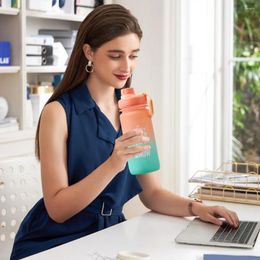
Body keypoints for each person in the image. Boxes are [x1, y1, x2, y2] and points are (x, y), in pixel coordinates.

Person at [11, 4, 239, 259]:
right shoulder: (58, 112)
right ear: (89, 52)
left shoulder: (135, 108)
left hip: (110, 236)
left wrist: (197, 208)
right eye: (115, 55)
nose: (127, 66)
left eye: (133, 55)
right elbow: (57, 210)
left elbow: (152, 194)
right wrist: (114, 163)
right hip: (54, 242)